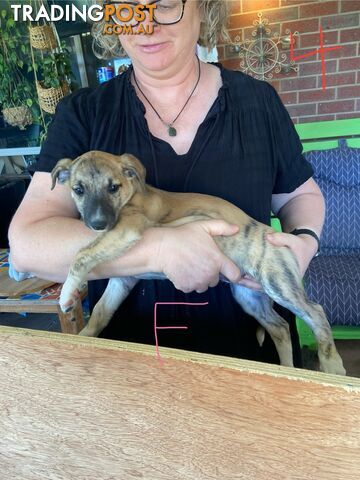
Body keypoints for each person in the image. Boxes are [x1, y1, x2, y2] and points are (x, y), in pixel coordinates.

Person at [9, 0, 325, 366]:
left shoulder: (259, 101)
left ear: (204, 9)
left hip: (254, 358)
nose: (144, 24)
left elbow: (299, 195)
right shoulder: (82, 113)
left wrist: (305, 243)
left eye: (165, 4)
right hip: (129, 366)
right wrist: (161, 249)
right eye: (126, 8)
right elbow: (27, 246)